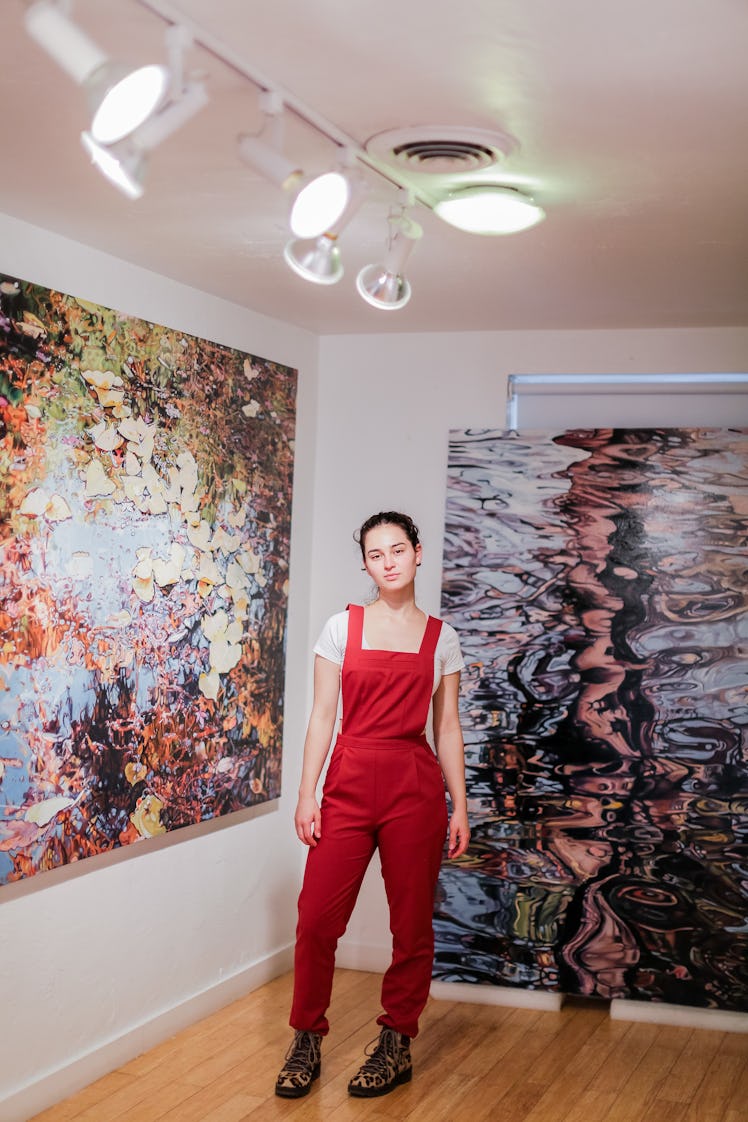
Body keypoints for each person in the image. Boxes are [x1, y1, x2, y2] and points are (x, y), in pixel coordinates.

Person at [275, 511, 470, 1100]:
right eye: (375, 553)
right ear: (366, 564)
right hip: (349, 781)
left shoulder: (443, 638)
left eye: (397, 549)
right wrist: (307, 794)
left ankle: (397, 1040)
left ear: (417, 554)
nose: (388, 561)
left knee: (410, 928)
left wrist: (459, 805)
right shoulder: (341, 627)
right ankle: (306, 1035)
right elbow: (322, 718)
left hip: (415, 786)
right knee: (315, 920)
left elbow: (449, 727)